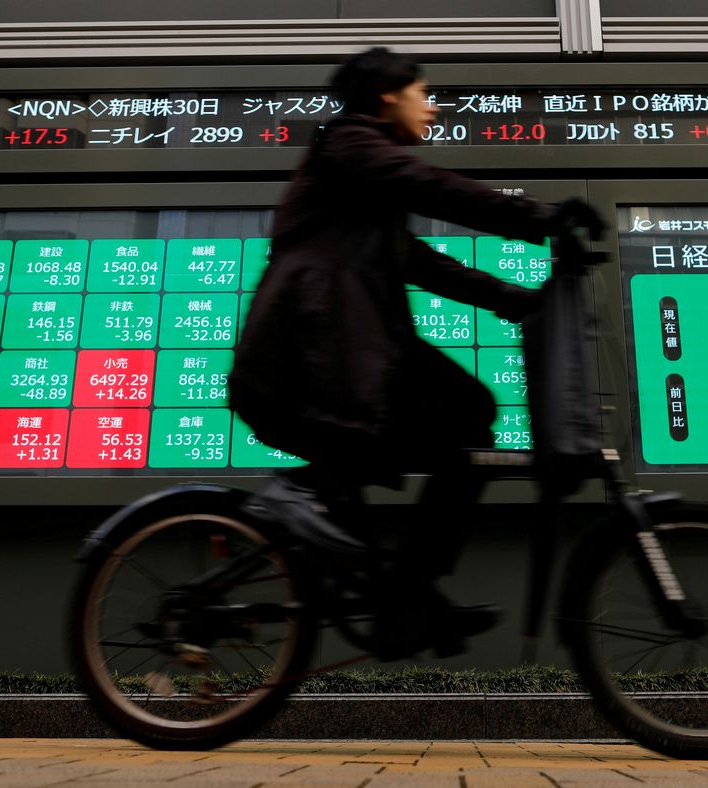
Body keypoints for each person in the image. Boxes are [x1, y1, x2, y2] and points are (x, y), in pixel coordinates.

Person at [228, 47, 602, 655]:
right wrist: (542, 218)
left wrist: (512, 299)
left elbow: (420, 262)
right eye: (422, 93)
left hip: (329, 366)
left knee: (461, 426)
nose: (431, 107)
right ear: (385, 95)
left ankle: (407, 599)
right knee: (468, 408)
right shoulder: (346, 144)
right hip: (305, 367)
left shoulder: (360, 187)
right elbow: (428, 185)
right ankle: (300, 499)